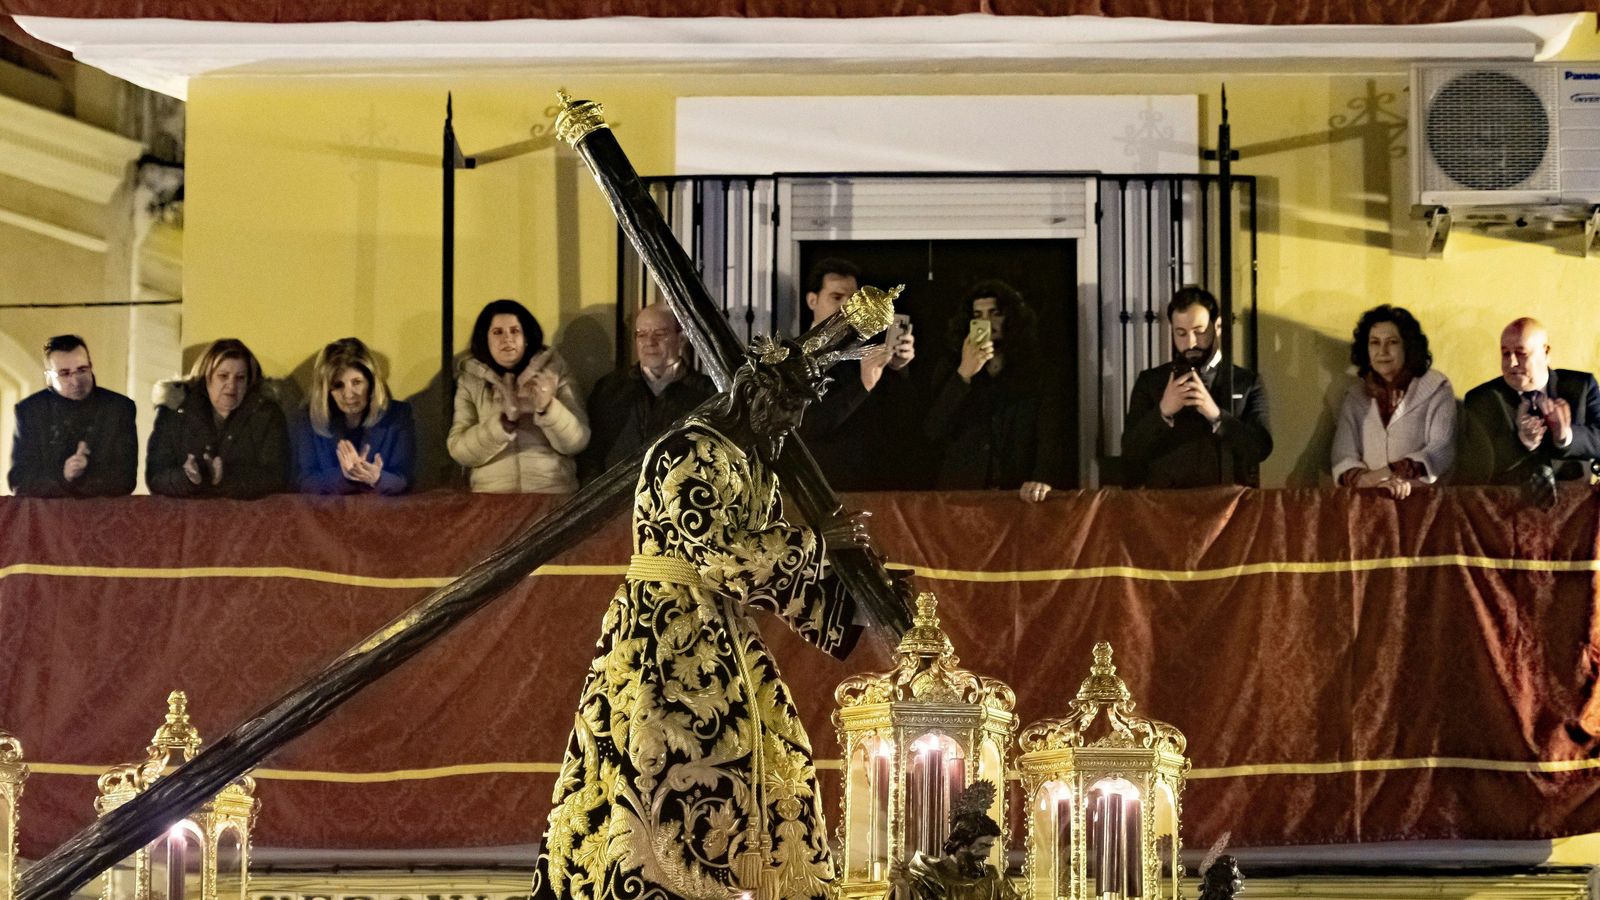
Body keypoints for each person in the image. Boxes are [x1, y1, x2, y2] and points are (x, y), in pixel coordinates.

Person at [529, 290, 895, 900]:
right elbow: (727, 554)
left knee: (773, 757)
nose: (786, 431)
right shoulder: (685, 451)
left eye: (794, 420)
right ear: (751, 399)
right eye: (781, 417)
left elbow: (769, 565)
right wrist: (818, 544)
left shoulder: (752, 465)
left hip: (725, 633)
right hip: (662, 636)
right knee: (653, 764)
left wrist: (846, 596)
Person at [924, 279, 1064, 501]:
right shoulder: (951, 367)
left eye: (995, 313)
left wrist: (1043, 477)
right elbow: (933, 429)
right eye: (978, 316)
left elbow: (1050, 434)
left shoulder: (1040, 373)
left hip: (1018, 494)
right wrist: (964, 375)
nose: (987, 322)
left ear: (1011, 318)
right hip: (962, 495)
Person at [1122, 286, 1271, 489]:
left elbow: (1260, 449)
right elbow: (1130, 450)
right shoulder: (1151, 381)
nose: (1190, 342)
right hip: (1165, 507)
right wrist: (1163, 412)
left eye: (1199, 331)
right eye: (1180, 333)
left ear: (1217, 326)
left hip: (1228, 507)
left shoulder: (1247, 382)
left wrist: (1217, 415)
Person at [796, 257, 918, 490]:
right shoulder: (795, 354)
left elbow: (903, 422)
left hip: (874, 487)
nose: (846, 308)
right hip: (821, 489)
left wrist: (898, 368)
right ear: (812, 300)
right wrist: (862, 385)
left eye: (853, 300)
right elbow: (805, 425)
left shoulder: (864, 350)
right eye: (836, 297)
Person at [448, 299, 590, 493]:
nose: (507, 339)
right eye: (498, 332)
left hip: (553, 494)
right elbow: (459, 451)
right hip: (491, 499)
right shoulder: (470, 380)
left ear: (526, 337)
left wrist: (547, 408)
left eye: (515, 331)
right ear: (485, 339)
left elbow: (577, 442)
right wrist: (504, 423)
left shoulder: (554, 372)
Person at [1459, 317, 1600, 493]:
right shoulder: (1481, 398)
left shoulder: (1581, 386)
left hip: (1574, 506)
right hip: (1506, 509)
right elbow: (1472, 465)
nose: (1511, 363)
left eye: (1521, 353)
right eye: (1505, 353)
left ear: (1546, 352)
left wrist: (1565, 436)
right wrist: (1521, 442)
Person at [577, 302, 714, 484]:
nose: (649, 342)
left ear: (681, 338)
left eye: (660, 334)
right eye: (641, 334)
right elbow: (591, 455)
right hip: (617, 504)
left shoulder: (706, 393)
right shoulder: (609, 389)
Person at [1330, 305, 1456, 499]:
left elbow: (1440, 450)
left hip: (1423, 504)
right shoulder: (1355, 395)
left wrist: (1387, 474)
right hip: (1369, 504)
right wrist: (1366, 480)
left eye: (1392, 342)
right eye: (1374, 342)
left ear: (1408, 346)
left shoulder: (1436, 387)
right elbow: (1342, 456)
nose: (1382, 351)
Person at [146, 338, 289, 499]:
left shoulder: (267, 414)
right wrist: (188, 478)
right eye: (223, 376)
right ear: (207, 378)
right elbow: (156, 477)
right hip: (188, 517)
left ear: (249, 381)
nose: (231, 385)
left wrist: (226, 478)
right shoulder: (176, 409)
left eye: (240, 378)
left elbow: (277, 477)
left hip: (246, 518)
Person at [8, 334, 137, 497]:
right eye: (64, 373)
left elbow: (126, 479)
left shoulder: (119, 408)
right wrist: (64, 477)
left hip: (103, 514)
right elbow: (19, 482)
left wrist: (86, 474)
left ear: (91, 366)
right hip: (48, 517)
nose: (76, 381)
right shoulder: (30, 411)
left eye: (82, 370)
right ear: (48, 376)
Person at [292, 337, 416, 495]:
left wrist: (376, 478)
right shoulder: (309, 419)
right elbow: (305, 482)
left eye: (357, 382)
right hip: (327, 514)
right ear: (326, 390)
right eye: (338, 385)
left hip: (381, 513)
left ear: (371, 383)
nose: (348, 394)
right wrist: (344, 477)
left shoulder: (398, 415)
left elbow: (404, 479)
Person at [890, 780, 1019, 900]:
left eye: (989, 846)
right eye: (982, 846)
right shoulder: (927, 879)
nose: (987, 854)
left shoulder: (994, 878)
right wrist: (902, 887)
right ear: (961, 844)